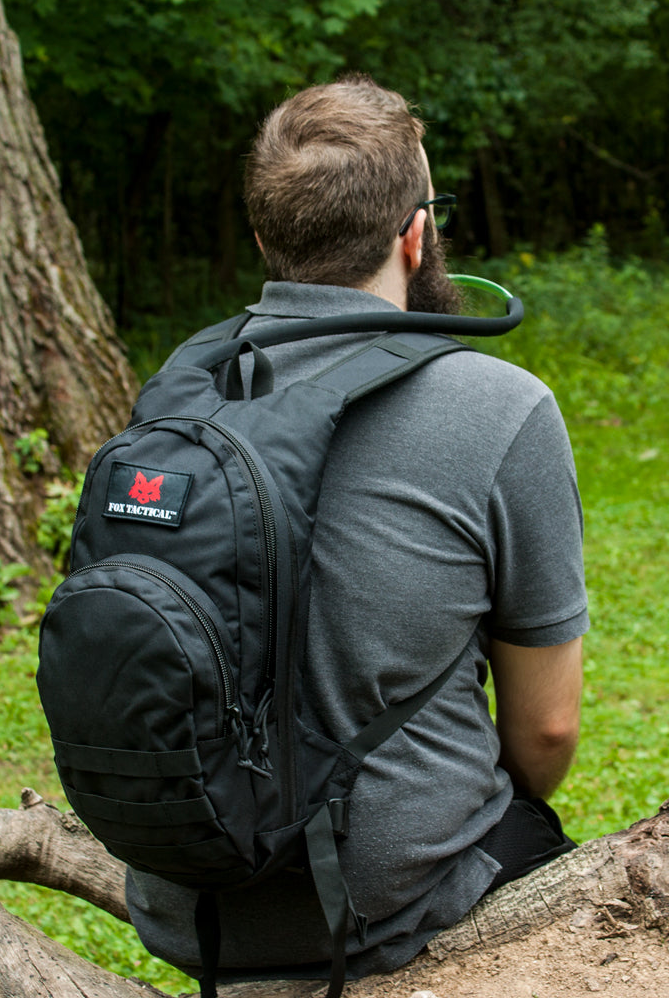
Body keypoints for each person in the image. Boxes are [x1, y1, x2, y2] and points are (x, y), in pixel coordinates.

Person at [126, 74, 588, 984]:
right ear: (417, 234)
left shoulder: (176, 395)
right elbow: (547, 733)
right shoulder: (502, 408)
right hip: (394, 906)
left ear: (265, 241)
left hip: (189, 900)